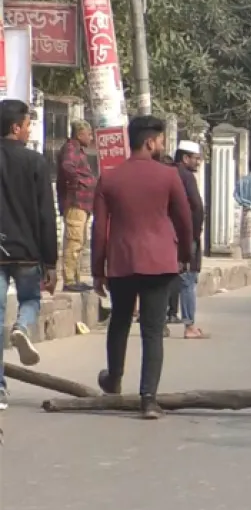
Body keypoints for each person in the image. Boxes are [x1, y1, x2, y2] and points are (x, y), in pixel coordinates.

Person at [92, 115, 193, 419]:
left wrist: (98, 269)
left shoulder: (109, 178)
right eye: (161, 141)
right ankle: (148, 398)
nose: (163, 146)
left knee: (120, 321)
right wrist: (186, 254)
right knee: (152, 330)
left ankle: (114, 378)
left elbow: (99, 229)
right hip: (160, 262)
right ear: (150, 142)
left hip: (122, 261)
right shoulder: (168, 176)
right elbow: (185, 220)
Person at [0, 99, 57, 409]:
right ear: (15, 127)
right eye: (27, 124)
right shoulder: (35, 162)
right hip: (27, 251)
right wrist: (51, 262)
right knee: (31, 300)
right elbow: (46, 214)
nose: (28, 130)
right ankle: (22, 326)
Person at [166, 141, 207, 339]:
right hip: (185, 235)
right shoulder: (186, 176)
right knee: (188, 280)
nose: (198, 162)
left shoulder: (165, 173)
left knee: (165, 279)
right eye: (196, 158)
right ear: (185, 158)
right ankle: (189, 325)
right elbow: (197, 208)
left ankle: (161, 324)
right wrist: (195, 232)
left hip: (165, 234)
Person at [57, 119, 96, 292]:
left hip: (83, 204)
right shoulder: (71, 149)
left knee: (79, 241)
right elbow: (67, 168)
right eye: (89, 134)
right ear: (80, 134)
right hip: (75, 202)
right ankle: (70, 280)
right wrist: (80, 184)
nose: (92, 138)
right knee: (73, 241)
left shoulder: (78, 150)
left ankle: (76, 278)